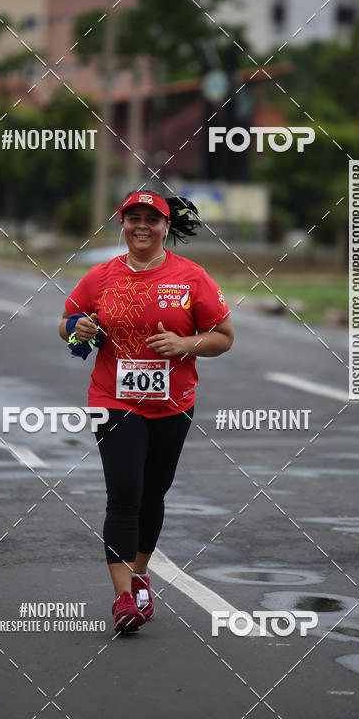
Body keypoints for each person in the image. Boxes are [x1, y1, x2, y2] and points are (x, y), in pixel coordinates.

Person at [59, 190, 234, 634]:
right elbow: (66, 325)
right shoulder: (100, 277)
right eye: (132, 217)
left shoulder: (192, 278)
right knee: (124, 494)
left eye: (151, 219)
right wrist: (75, 328)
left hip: (173, 404)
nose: (142, 226)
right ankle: (123, 598)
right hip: (113, 400)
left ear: (166, 226)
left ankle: (140, 576)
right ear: (121, 222)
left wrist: (184, 344)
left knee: (153, 494)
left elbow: (224, 335)